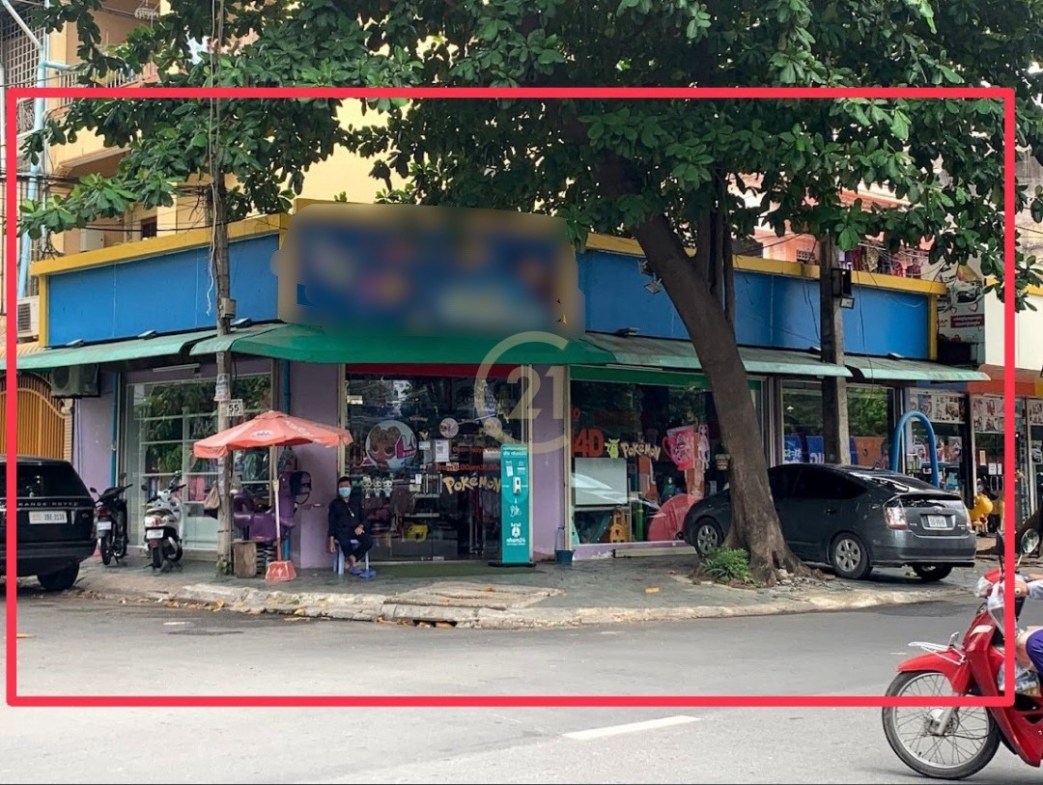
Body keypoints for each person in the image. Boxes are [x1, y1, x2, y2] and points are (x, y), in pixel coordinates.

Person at [327, 476, 372, 575]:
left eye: (346, 486)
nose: (344, 488)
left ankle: (351, 560)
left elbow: (364, 518)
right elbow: (331, 523)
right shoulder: (334, 504)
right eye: (341, 486)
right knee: (344, 540)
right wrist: (331, 541)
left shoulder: (356, 502)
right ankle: (354, 563)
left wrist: (361, 526)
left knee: (368, 541)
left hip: (356, 529)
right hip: (342, 531)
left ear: (351, 487)